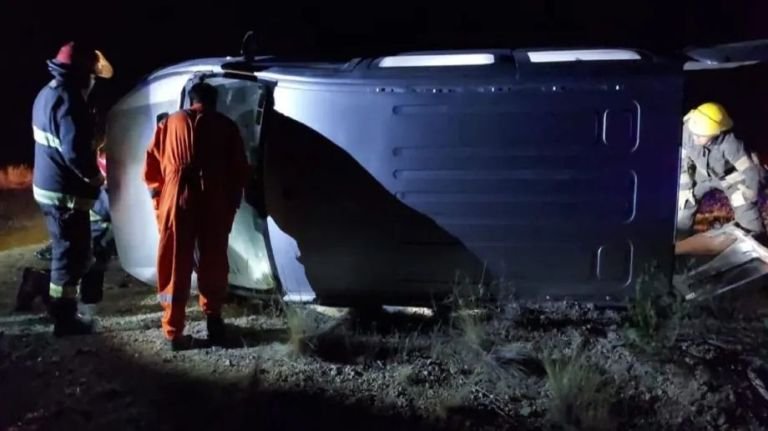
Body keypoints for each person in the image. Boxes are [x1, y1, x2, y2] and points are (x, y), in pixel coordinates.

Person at [143, 82, 250, 351]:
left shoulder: (168, 123)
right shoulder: (226, 126)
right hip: (213, 197)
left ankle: (173, 331)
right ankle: (214, 322)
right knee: (213, 259)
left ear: (190, 100)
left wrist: (160, 201)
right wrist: (231, 204)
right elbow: (239, 170)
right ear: (214, 102)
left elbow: (151, 168)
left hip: (176, 197)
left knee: (174, 262)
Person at [31, 41, 113, 336]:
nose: (93, 80)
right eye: (91, 74)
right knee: (72, 254)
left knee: (72, 251)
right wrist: (95, 178)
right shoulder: (71, 101)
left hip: (50, 187)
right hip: (64, 193)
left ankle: (42, 288)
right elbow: (75, 152)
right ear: (80, 74)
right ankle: (64, 320)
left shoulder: (47, 94)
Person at [677, 102, 766, 239]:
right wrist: (685, 189)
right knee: (684, 204)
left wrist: (747, 195)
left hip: (729, 177)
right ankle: (679, 243)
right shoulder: (688, 131)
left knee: (745, 207)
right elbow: (682, 162)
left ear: (715, 133)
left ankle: (758, 241)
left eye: (700, 136)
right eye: (693, 133)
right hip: (700, 176)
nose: (694, 138)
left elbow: (750, 171)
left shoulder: (730, 143)